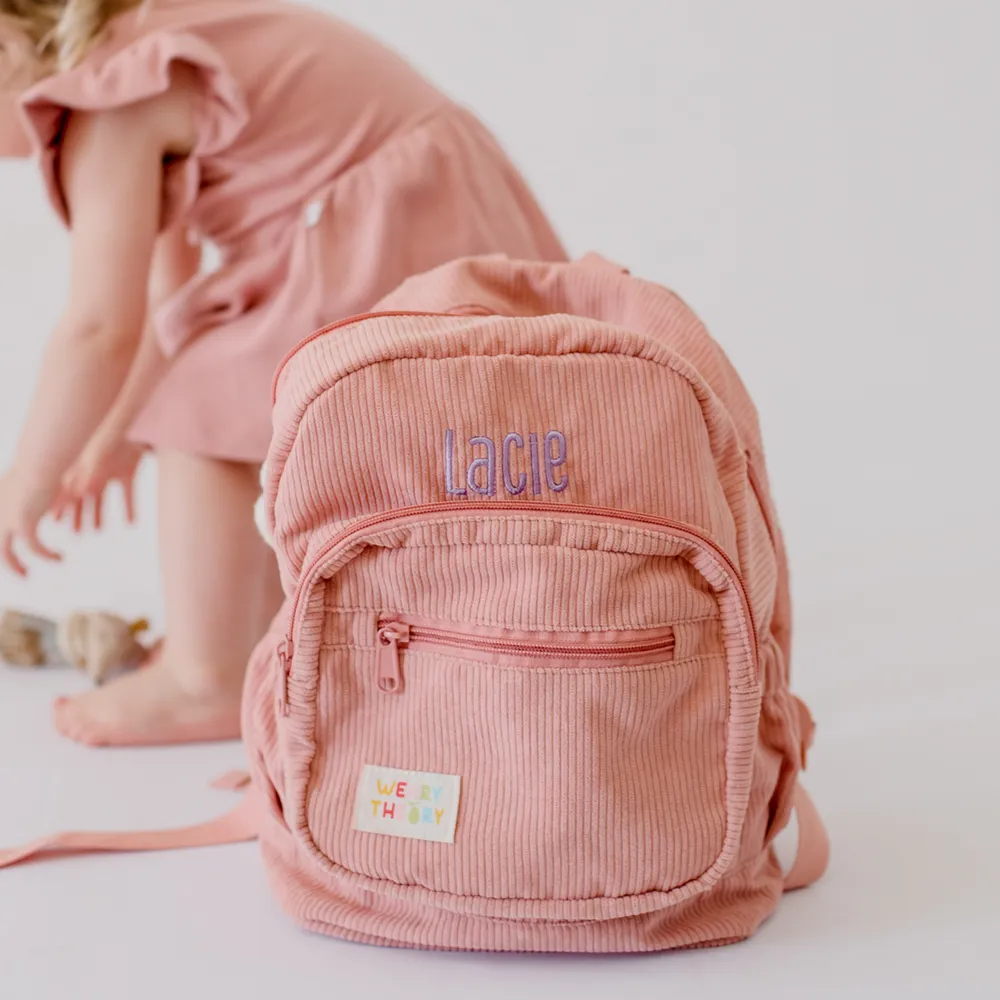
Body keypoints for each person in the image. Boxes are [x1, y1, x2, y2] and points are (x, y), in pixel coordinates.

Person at [0, 0, 566, 747]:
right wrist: (114, 434)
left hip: (376, 227)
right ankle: (262, 640)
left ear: (10, 52)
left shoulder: (112, 100)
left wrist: (26, 482)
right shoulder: (152, 44)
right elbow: (167, 301)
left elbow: (99, 327)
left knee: (209, 402)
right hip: (428, 208)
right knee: (207, 386)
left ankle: (206, 673)